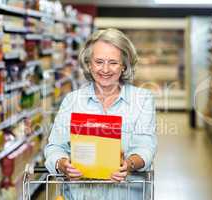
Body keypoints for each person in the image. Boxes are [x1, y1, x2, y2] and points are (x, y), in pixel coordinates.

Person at [44, 28, 157, 199]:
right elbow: (55, 147)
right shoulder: (72, 101)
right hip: (80, 195)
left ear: (124, 66)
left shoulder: (142, 100)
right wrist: (62, 164)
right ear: (89, 64)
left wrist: (129, 164)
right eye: (99, 61)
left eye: (113, 62)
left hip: (125, 194)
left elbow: (145, 146)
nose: (105, 69)